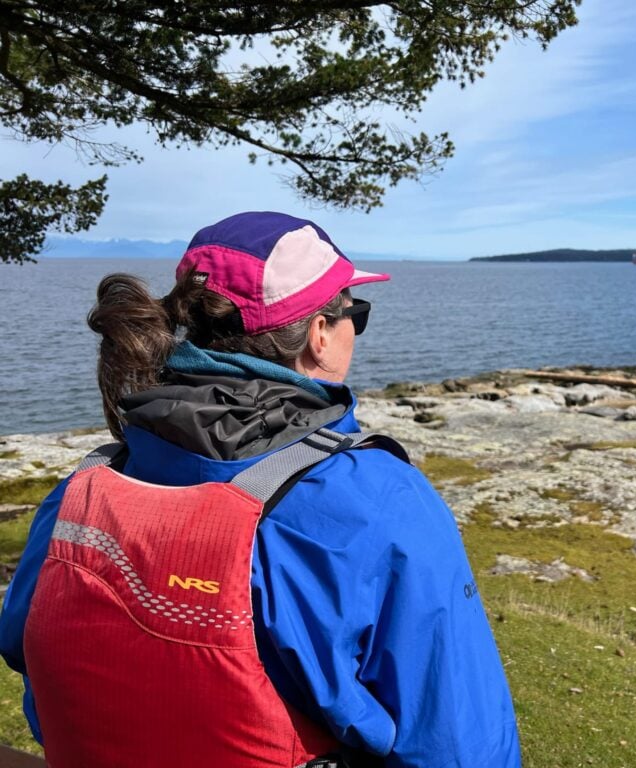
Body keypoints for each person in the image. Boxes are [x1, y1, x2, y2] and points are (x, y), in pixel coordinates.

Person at [0, 211, 520, 767]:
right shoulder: (377, 500)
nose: (355, 329)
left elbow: (25, 648)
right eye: (356, 314)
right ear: (320, 333)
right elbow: (459, 742)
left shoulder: (84, 487)